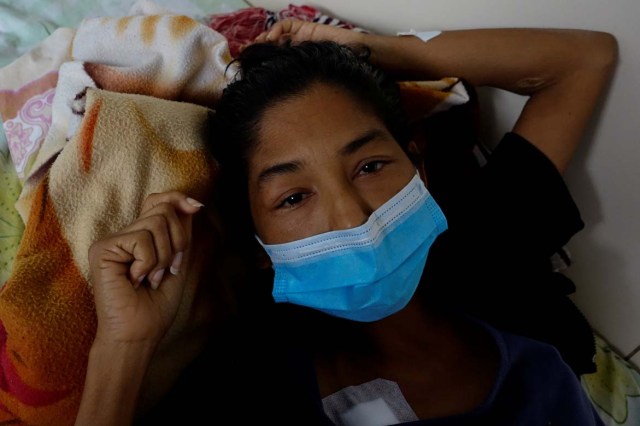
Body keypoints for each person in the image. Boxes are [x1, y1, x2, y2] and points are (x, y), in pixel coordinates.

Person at [75, 19, 617, 425]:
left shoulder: (493, 240)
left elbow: (584, 60)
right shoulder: (250, 384)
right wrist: (121, 349)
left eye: (371, 166)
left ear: (418, 169)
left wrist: (368, 52)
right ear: (260, 243)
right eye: (292, 197)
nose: (353, 216)